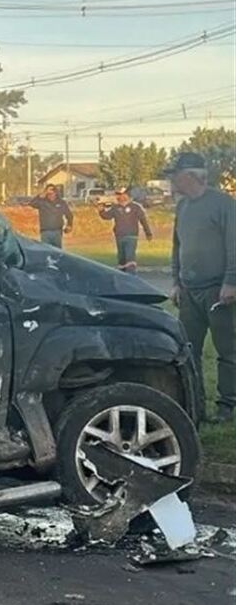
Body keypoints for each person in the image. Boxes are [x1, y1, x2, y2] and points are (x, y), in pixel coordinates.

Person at [166, 152, 236, 424]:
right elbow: (177, 246)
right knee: (188, 350)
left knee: (227, 350)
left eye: (175, 175)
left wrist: (231, 281)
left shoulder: (224, 204)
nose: (172, 180)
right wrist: (175, 281)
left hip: (219, 291)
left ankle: (227, 406)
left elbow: (234, 245)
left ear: (192, 176)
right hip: (189, 290)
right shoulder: (182, 207)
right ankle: (195, 405)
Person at [98, 186, 153, 273]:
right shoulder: (115, 208)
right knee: (121, 257)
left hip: (132, 235)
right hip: (119, 236)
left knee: (130, 256)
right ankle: (122, 274)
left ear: (127, 195)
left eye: (121, 194)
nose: (119, 197)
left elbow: (143, 220)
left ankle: (131, 276)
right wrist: (101, 211)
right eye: (117, 195)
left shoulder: (135, 207)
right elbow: (106, 216)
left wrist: (148, 233)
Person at [28, 184, 73, 248]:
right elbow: (31, 203)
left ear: (56, 192)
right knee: (46, 252)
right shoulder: (42, 202)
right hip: (45, 232)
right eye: (49, 192)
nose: (51, 194)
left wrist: (69, 225)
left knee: (58, 253)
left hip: (57, 232)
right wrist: (40, 196)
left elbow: (69, 215)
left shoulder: (61, 202)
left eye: (53, 191)